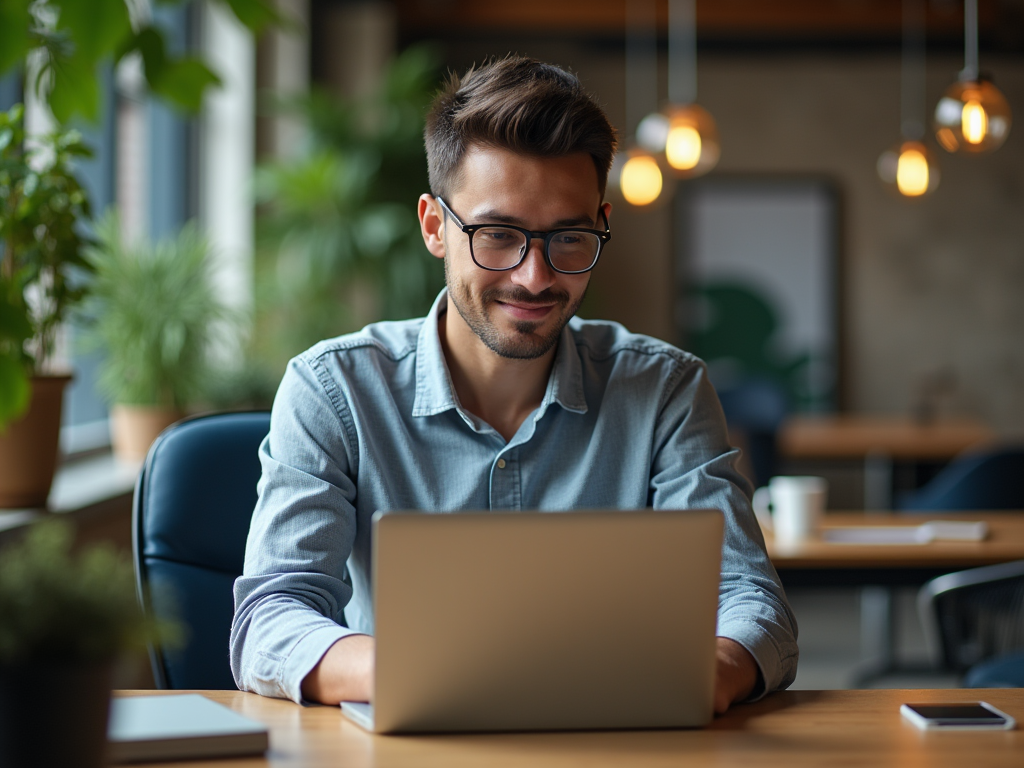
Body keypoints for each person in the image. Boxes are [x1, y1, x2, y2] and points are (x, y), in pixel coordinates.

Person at [231, 55, 798, 715]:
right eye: (498, 235)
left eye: (569, 236)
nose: (534, 277)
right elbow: (271, 620)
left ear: (601, 222)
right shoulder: (333, 390)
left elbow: (753, 601)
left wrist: (711, 670)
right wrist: (435, 670)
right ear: (435, 226)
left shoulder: (665, 389)